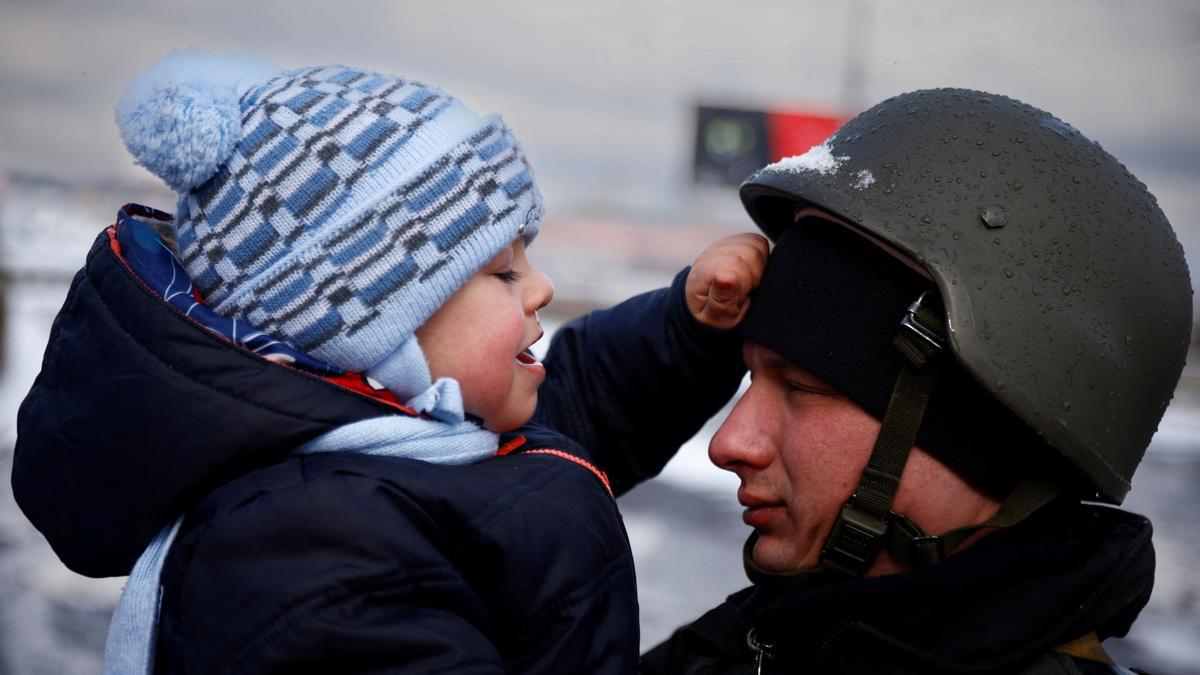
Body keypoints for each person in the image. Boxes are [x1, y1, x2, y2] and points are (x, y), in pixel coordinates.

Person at [10, 50, 767, 673]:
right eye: (501, 273)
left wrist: (690, 325)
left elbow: (584, 405)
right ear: (368, 326)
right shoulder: (306, 556)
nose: (541, 287)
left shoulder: (409, 458)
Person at [640, 88, 1192, 674]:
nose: (730, 444)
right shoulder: (739, 647)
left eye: (801, 388)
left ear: (988, 434)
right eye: (751, 376)